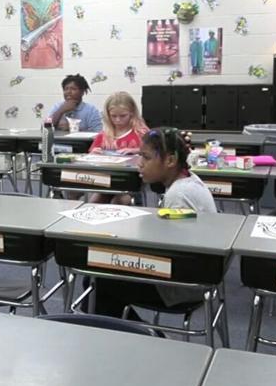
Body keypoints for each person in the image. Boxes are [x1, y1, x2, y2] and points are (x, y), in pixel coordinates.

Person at [92, 127, 217, 317]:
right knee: (100, 279)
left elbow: (170, 254)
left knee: (100, 282)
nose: (139, 164)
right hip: (195, 273)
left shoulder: (179, 195)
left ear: (170, 160)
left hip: (183, 284)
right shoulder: (187, 180)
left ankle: (145, 338)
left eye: (146, 158)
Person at [88, 91, 149, 205]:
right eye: (113, 116)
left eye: (123, 116)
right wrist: (93, 154)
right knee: (94, 201)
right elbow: (91, 154)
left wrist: (137, 150)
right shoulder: (104, 134)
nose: (118, 120)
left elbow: (154, 153)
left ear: (132, 113)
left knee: (120, 201)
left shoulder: (141, 133)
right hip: (106, 180)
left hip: (132, 182)